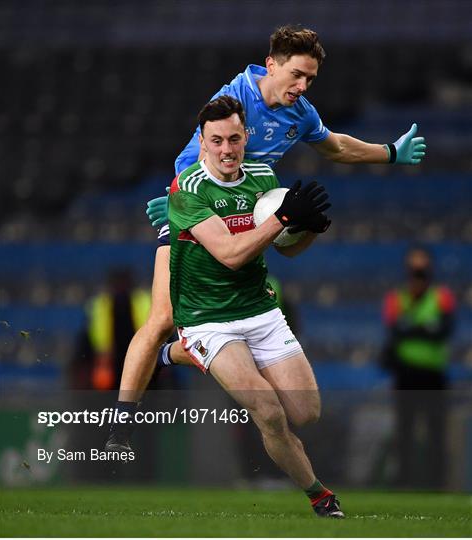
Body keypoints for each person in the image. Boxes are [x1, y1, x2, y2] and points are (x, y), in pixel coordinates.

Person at [106, 25, 426, 452]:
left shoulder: (300, 111)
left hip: (248, 216)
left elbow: (335, 147)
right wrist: (179, 200)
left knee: (240, 310)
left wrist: (389, 152)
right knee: (163, 317)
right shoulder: (235, 101)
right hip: (199, 209)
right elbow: (200, 152)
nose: (302, 85)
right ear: (271, 64)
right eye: (296, 74)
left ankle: (185, 351)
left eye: (310, 78)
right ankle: (119, 423)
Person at [169, 95, 342, 517]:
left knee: (306, 412)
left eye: (233, 138)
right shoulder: (186, 190)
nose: (226, 150)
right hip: (208, 319)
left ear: (246, 136)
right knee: (266, 410)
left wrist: (310, 230)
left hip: (259, 311)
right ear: (203, 142)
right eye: (216, 141)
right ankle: (320, 495)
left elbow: (286, 252)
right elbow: (230, 254)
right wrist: (282, 220)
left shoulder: (264, 176)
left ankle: (173, 352)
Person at [381, 246, 455, 489]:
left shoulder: (441, 296)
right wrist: (425, 328)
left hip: (433, 374)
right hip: (406, 374)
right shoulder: (396, 297)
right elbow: (395, 331)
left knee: (436, 431)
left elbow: (443, 331)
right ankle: (404, 481)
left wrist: (410, 328)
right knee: (404, 430)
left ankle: (437, 483)